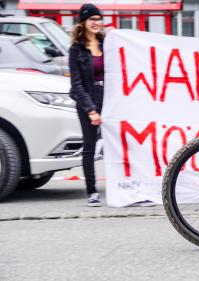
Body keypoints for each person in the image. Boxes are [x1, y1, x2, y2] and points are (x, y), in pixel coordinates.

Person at [69, 3, 106, 206]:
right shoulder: (76, 49)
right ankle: (92, 191)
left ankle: (126, 185)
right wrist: (91, 110)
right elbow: (75, 85)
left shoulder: (106, 43)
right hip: (88, 101)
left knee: (119, 143)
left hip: (108, 99)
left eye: (99, 19)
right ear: (83, 22)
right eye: (92, 19)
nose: (96, 23)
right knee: (90, 148)